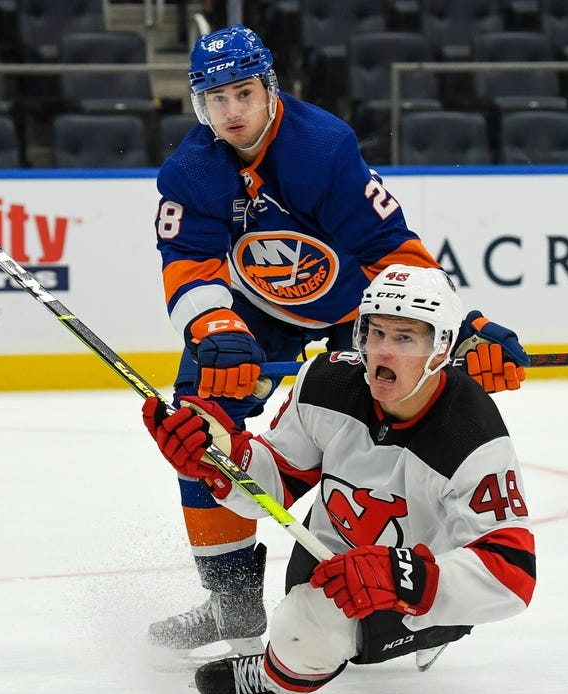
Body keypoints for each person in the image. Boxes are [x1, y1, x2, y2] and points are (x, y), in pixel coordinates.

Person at [149, 24, 529, 660]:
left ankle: (424, 584)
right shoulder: (191, 169)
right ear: (199, 105)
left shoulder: (321, 148)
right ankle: (231, 602)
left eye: (244, 93)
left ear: (271, 88)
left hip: (353, 310)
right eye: (217, 99)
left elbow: (390, 248)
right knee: (199, 422)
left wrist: (461, 329)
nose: (232, 111)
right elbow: (188, 260)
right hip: (257, 312)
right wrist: (215, 327)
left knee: (400, 417)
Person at [141, 265, 536, 694]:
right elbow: (277, 479)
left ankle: (277, 677)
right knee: (305, 606)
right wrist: (221, 459)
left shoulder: (472, 435)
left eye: (404, 338)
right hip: (328, 559)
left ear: (441, 347)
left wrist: (403, 576)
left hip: (421, 591)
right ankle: (314, 645)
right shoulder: (326, 382)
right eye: (375, 333)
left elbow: (511, 577)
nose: (383, 352)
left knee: (302, 629)